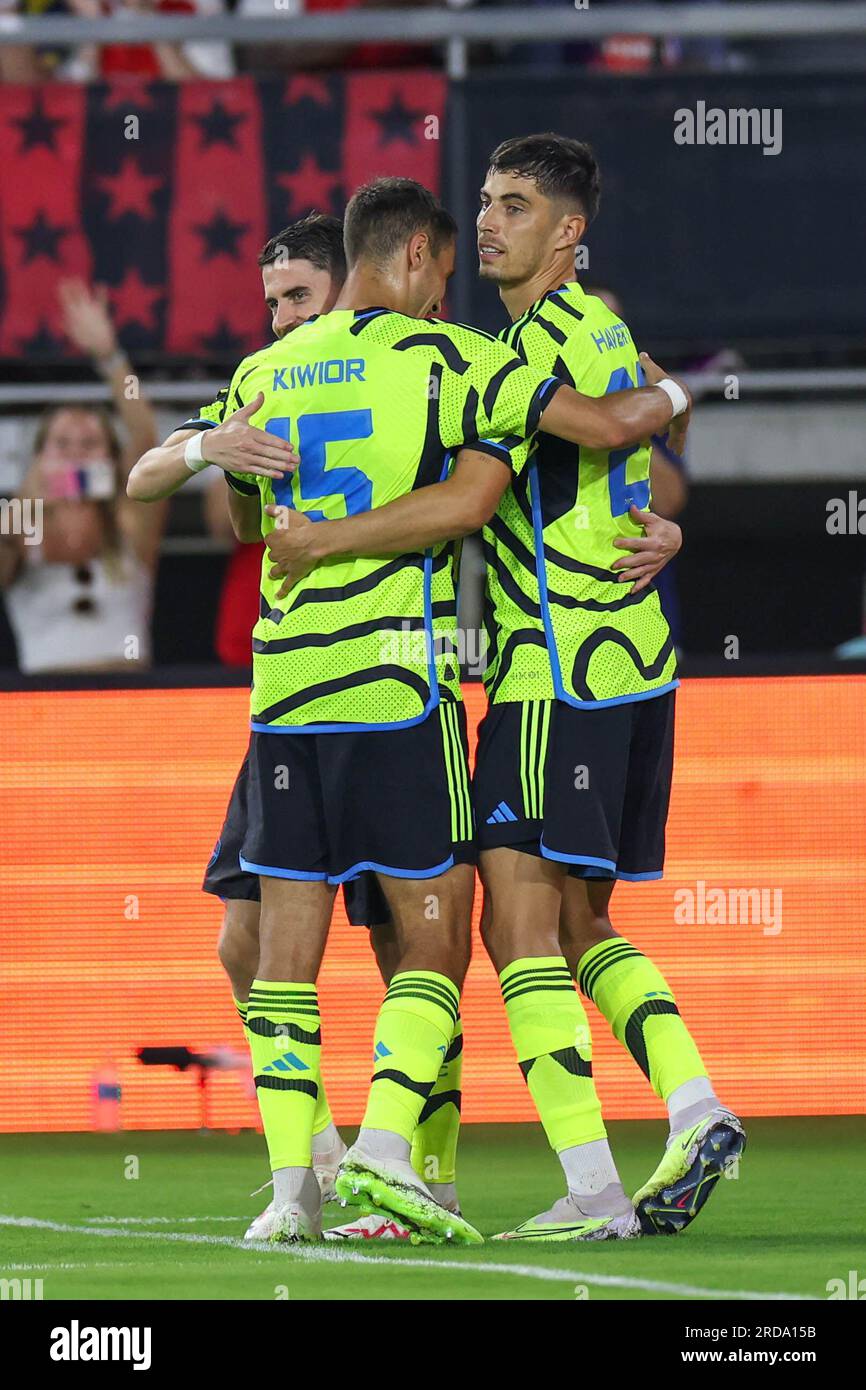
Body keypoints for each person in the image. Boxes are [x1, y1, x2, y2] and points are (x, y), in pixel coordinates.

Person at [267, 140, 741, 1243]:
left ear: (567, 232)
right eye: (483, 203)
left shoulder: (519, 352)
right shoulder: (601, 325)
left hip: (552, 674)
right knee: (578, 920)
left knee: (514, 929)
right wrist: (662, 516)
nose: (488, 224)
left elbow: (502, 485)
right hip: (637, 666)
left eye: (515, 207)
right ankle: (689, 1103)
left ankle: (578, 1182)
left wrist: (326, 536)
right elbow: (648, 451)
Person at [128, 213, 463, 1240]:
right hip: (292, 692)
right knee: (252, 943)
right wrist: (211, 448)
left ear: (345, 288)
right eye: (269, 300)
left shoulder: (395, 368)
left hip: (388, 680)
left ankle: (417, 1173)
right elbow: (171, 488)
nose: (278, 318)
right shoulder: (265, 377)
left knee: (411, 939)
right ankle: (319, 1166)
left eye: (297, 298)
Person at [0, 279, 161, 673]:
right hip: (46, 706)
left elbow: (146, 436)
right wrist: (28, 500)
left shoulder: (129, 521)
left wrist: (111, 358)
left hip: (132, 699)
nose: (74, 455)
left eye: (88, 443)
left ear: (111, 457)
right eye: (62, 444)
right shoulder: (21, 529)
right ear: (38, 458)